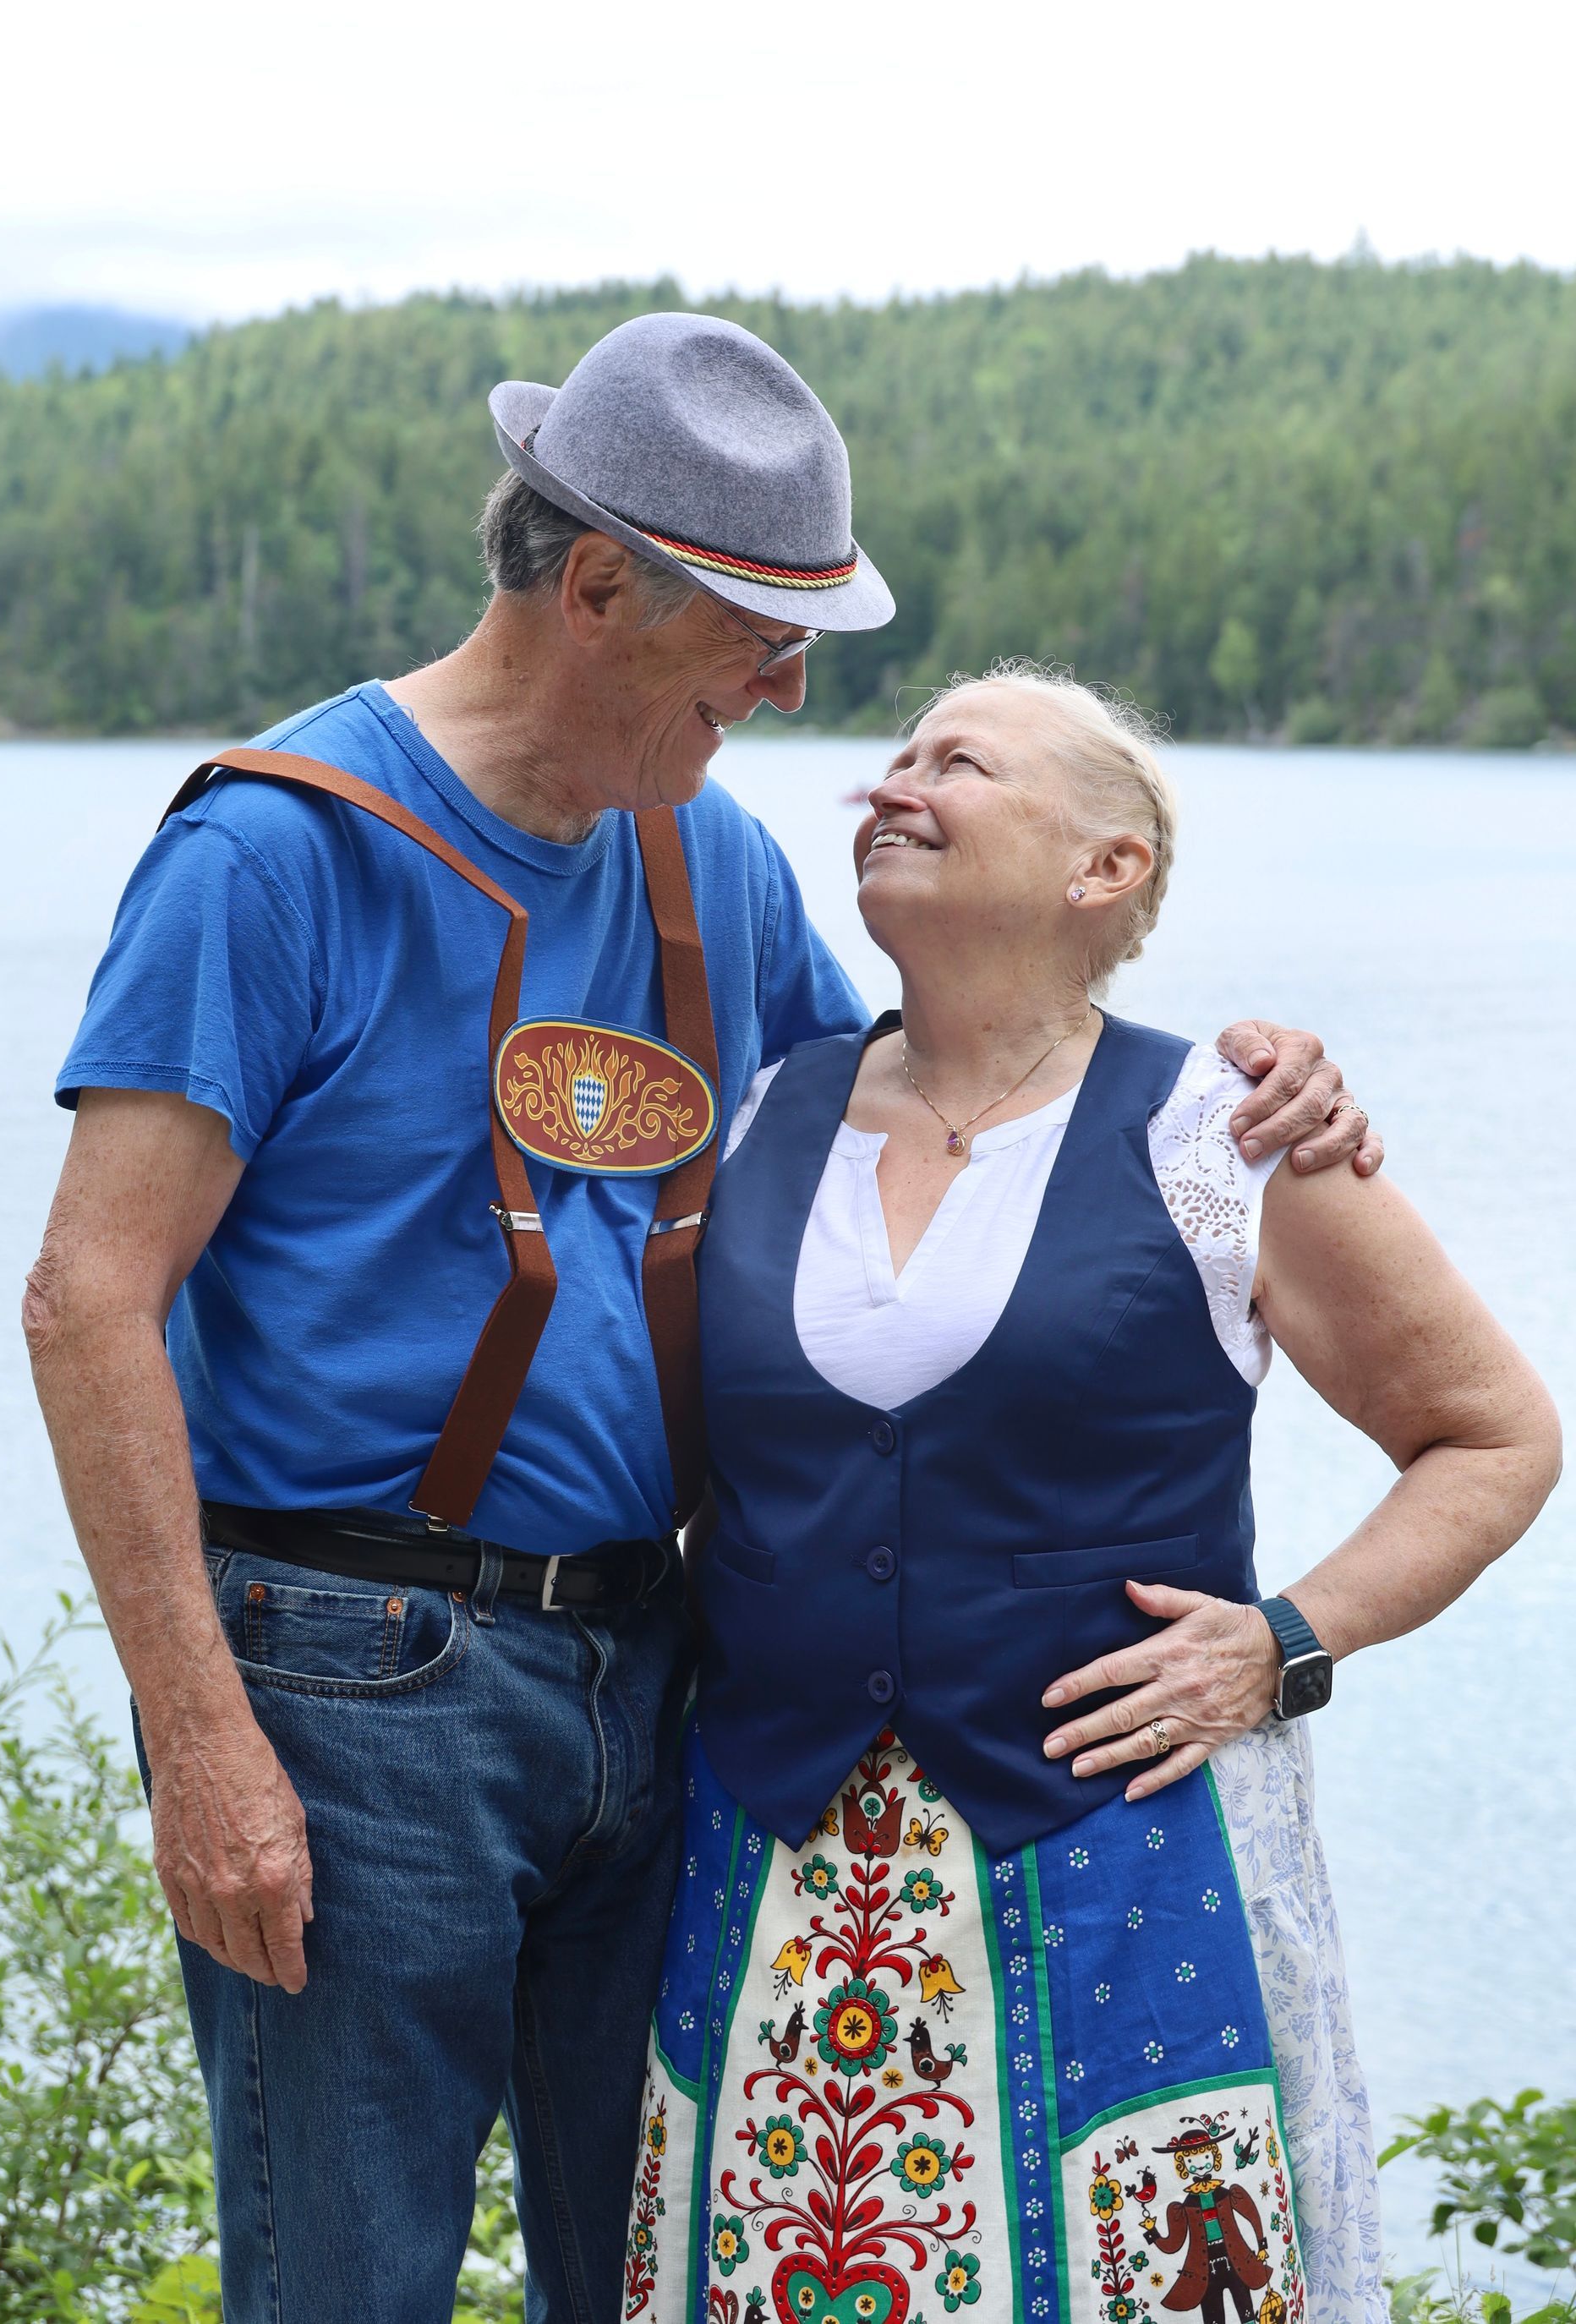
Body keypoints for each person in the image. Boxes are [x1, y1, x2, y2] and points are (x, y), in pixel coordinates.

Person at [22, 314, 1376, 2324]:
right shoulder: (277, 850)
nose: (795, 689)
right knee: (348, 2287)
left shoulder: (711, 863)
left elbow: (941, 1125)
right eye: (760, 632)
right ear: (594, 590)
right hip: (349, 1672)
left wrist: (1256, 1086)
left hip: (668, 1679)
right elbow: (85, 1303)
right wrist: (204, 1746)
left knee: (665, 2272)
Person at [626, 666, 1560, 2324]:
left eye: (958, 763)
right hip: (786, 1891)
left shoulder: (1219, 1130)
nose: (892, 786)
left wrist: (1281, 1644)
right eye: (894, 758)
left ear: (1104, 868)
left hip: (1125, 1869)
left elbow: (1494, 1439)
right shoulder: (767, 1109)